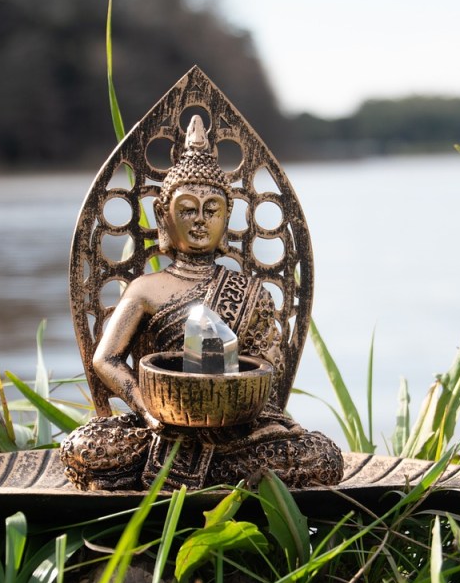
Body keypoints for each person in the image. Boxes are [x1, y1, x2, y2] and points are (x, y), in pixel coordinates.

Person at [60, 116, 343, 491]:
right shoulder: (145, 289)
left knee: (321, 457)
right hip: (162, 431)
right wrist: (146, 408)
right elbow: (105, 359)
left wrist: (259, 412)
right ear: (164, 216)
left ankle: (205, 472)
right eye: (187, 209)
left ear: (227, 220)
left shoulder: (249, 291)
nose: (199, 221)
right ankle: (228, 477)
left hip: (234, 433)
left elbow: (267, 369)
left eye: (212, 210)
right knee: (84, 450)